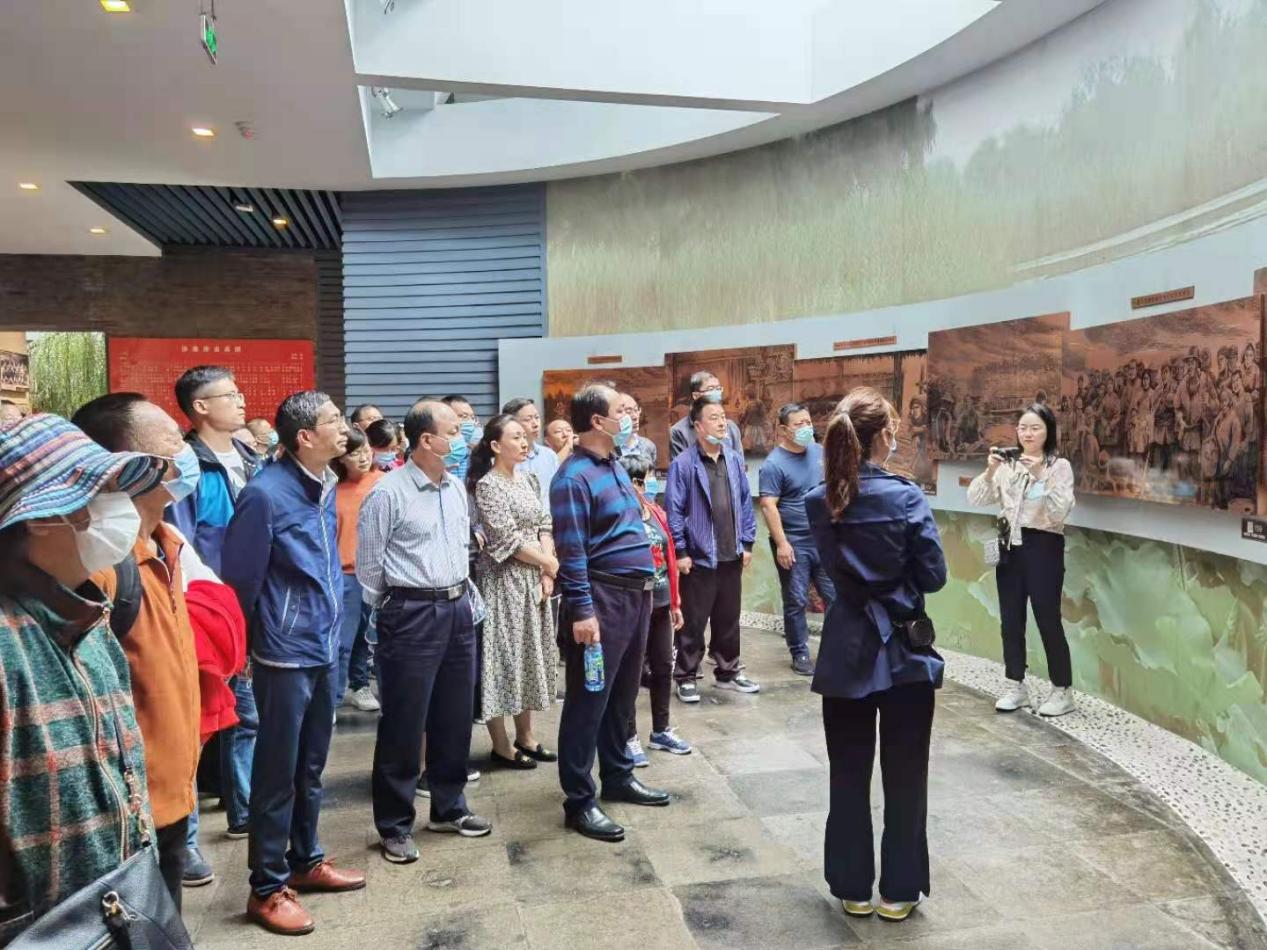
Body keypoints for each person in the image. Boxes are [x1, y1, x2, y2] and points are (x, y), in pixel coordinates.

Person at [0, 414, 166, 944]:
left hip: (118, 910)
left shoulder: (89, 620)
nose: (118, 507)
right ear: (38, 520)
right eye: (98, 493)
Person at [220, 391, 365, 936]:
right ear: (304, 437)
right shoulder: (265, 494)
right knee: (277, 771)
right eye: (333, 421)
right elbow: (241, 580)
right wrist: (244, 649)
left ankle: (306, 860)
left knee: (311, 765)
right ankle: (266, 887)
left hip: (324, 646)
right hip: (284, 652)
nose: (343, 428)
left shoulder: (324, 482)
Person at [806, 387, 947, 924]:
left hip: (846, 646)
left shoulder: (819, 500)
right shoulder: (906, 498)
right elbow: (934, 575)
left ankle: (853, 887)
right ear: (884, 435)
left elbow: (835, 572)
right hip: (905, 649)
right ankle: (899, 891)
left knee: (847, 772)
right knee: (906, 775)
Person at [72, 393, 205, 910]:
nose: (185, 452)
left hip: (174, 796)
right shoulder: (101, 568)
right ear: (126, 465)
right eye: (172, 442)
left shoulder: (167, 543)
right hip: (128, 812)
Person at [357, 400, 492, 866]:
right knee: (404, 721)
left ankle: (449, 806)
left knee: (455, 715)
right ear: (427, 440)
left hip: (458, 608)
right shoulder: (388, 493)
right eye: (454, 430)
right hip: (410, 612)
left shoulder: (455, 487)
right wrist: (399, 608)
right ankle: (394, 825)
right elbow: (370, 568)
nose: (464, 436)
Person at [552, 384, 670, 842]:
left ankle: (618, 776)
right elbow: (571, 551)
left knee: (622, 696)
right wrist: (583, 610)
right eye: (622, 410)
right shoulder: (573, 478)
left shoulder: (615, 465)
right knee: (589, 699)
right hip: (602, 600)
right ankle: (579, 800)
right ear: (598, 421)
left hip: (636, 597)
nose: (631, 416)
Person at [168, 365, 260, 886]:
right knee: (194, 728)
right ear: (200, 407)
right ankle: (183, 842)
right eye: (230, 394)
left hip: (245, 610)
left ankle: (244, 809)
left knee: (246, 718)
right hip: (204, 612)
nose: (241, 400)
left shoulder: (249, 458)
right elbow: (180, 550)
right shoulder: (189, 467)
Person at [967, 402, 1076, 717]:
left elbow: (1058, 512)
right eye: (1023, 428)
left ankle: (1062, 690)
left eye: (1035, 428)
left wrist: (1038, 475)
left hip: (1044, 545)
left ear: (1048, 432)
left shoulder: (1059, 466)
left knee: (1047, 618)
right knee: (1011, 619)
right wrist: (990, 470)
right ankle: (1015, 685)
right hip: (1009, 546)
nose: (1028, 434)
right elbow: (976, 498)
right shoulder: (1007, 465)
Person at [468, 414, 559, 770]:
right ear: (495, 445)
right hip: (504, 582)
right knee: (502, 658)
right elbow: (505, 540)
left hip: (534, 579)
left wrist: (547, 568)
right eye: (516, 437)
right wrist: (547, 563)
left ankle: (526, 736)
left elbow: (543, 524)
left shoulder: (530, 479)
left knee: (528, 656)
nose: (524, 442)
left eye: (525, 436)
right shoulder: (488, 486)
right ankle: (501, 744)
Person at [665, 398, 759, 702]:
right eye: (714, 417)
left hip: (731, 554)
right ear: (698, 426)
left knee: (728, 618)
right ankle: (686, 676)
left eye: (723, 417)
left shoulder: (733, 459)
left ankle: (728, 671)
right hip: (698, 557)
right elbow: (674, 511)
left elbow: (745, 503)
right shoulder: (683, 464)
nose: (722, 423)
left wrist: (747, 543)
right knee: (693, 621)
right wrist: (681, 551)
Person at [617, 455, 692, 762]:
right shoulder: (620, 517)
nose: (651, 483)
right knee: (631, 673)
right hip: (634, 605)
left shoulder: (656, 512)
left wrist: (675, 602)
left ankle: (661, 730)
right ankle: (628, 736)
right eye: (646, 478)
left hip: (661, 603)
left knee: (663, 667)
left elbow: (669, 558)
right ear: (632, 483)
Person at [759, 403, 836, 676]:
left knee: (835, 597)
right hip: (793, 542)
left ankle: (836, 648)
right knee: (796, 599)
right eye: (798, 424)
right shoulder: (774, 464)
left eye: (808, 422)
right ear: (784, 430)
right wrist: (782, 543)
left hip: (823, 540)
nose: (806, 428)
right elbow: (768, 505)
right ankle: (799, 652)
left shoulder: (820, 452)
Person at [332, 427, 383, 713]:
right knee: (343, 640)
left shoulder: (384, 483)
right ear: (341, 457)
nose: (363, 458)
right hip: (346, 574)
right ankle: (333, 698)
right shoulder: (332, 488)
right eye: (354, 453)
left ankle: (360, 685)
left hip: (378, 572)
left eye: (365, 451)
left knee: (369, 637)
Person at [668, 371, 745, 463]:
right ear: (696, 395)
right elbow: (681, 468)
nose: (716, 393)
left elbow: (740, 465)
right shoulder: (678, 432)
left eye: (718, 389)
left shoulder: (731, 428)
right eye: (711, 389)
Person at [504, 397, 559, 510]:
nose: (535, 424)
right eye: (528, 419)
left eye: (537, 417)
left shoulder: (549, 456)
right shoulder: (502, 459)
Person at [442, 394, 482, 481]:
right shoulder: (434, 455)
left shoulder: (475, 457)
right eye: (464, 417)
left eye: (472, 417)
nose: (470, 422)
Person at [613, 393, 657, 467]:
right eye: (628, 412)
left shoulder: (649, 446)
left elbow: (651, 472)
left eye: (636, 410)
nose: (635, 417)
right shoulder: (608, 448)